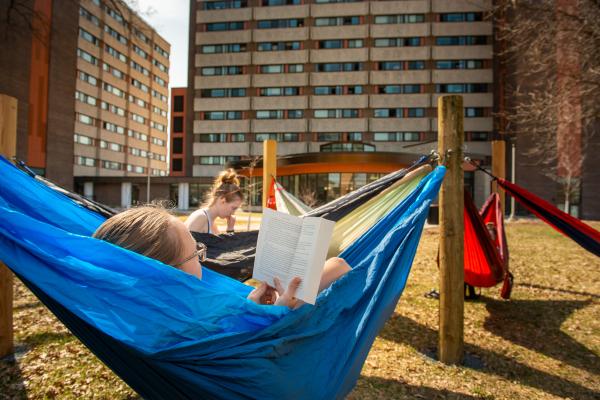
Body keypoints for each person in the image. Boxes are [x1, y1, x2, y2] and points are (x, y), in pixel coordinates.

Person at [93, 206, 350, 308]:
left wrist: (250, 307)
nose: (203, 260)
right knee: (339, 266)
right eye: (196, 253)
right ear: (168, 273)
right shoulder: (188, 331)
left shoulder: (149, 315)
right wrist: (275, 318)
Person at [185, 169, 242, 234]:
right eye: (233, 208)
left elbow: (224, 244)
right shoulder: (200, 217)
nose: (233, 213)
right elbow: (183, 244)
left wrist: (230, 228)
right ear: (222, 200)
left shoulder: (212, 222)